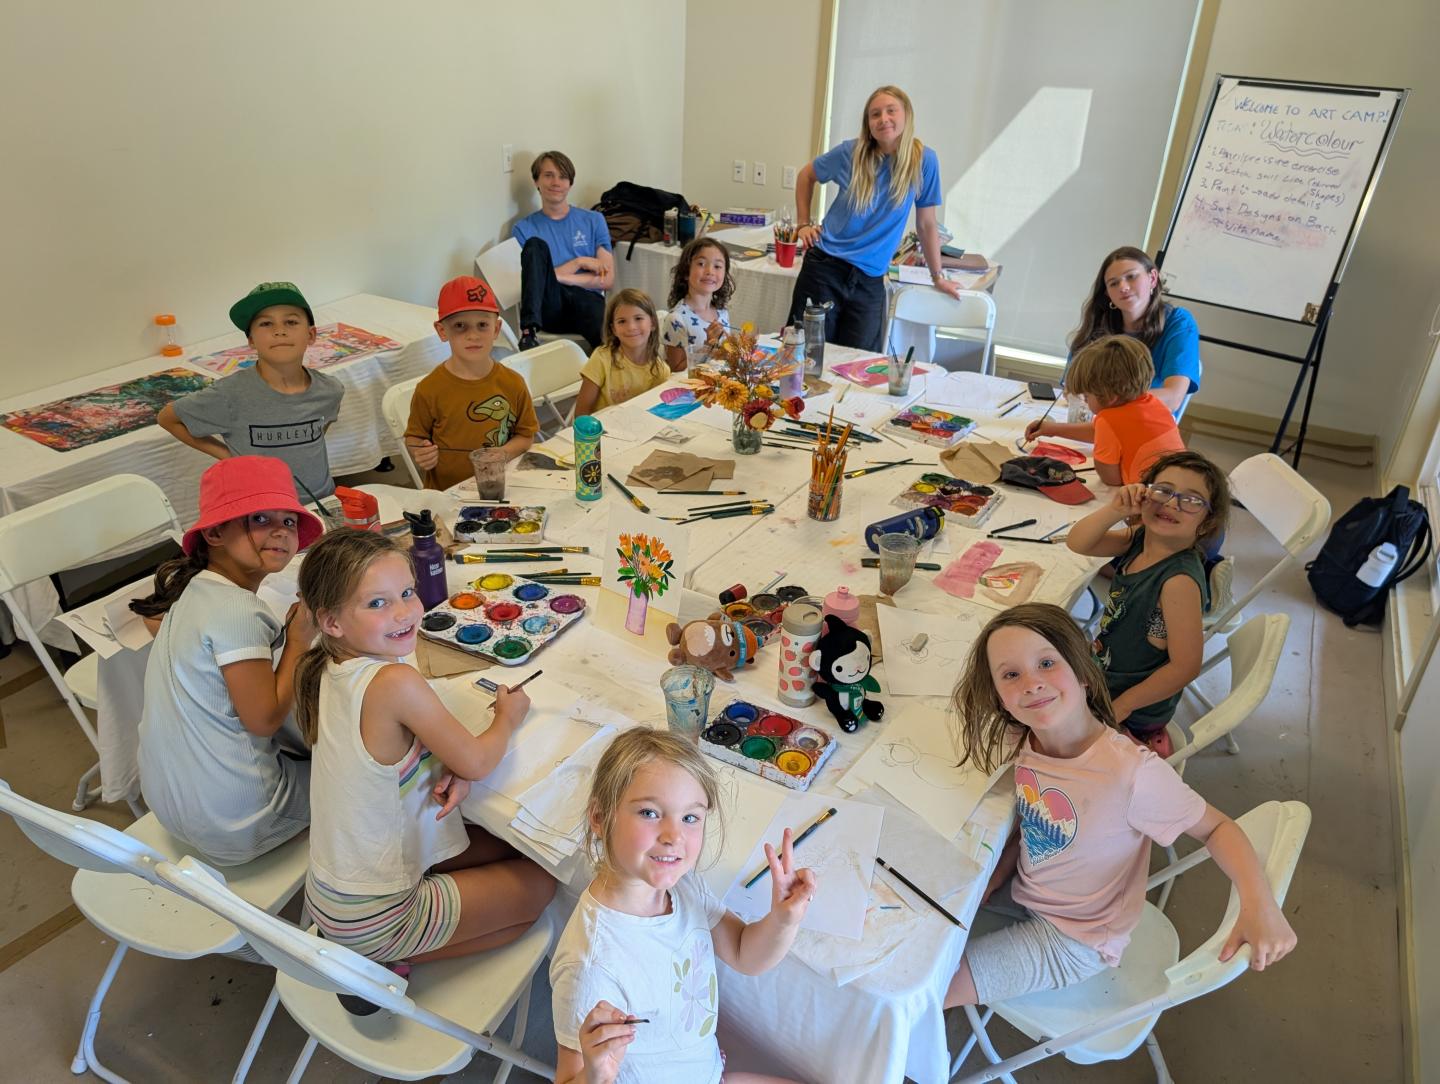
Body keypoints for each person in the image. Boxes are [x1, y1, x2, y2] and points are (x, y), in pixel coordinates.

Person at [943, 603, 1296, 1012]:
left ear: (1082, 673)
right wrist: (1000, 871)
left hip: (1075, 941)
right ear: (999, 696)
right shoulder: (1029, 740)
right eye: (1011, 674)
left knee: (929, 990)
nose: (1031, 683)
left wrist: (1260, 905)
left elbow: (1217, 829)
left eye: (1045, 663)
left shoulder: (1132, 773)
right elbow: (1039, 825)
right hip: (1026, 893)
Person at [295, 528, 555, 967]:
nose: (404, 612)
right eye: (377, 603)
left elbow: (399, 760)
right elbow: (477, 761)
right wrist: (506, 716)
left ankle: (392, 947)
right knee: (543, 886)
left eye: (407, 592)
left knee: (516, 846)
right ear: (331, 621)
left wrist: (444, 761)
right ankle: (392, 961)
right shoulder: (394, 681)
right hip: (376, 917)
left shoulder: (325, 667)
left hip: (335, 896)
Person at [551, 728, 812, 1084]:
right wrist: (595, 1076)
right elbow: (568, 1078)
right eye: (649, 812)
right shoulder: (591, 965)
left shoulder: (684, 888)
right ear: (599, 817)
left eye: (690, 818)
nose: (673, 836)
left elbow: (745, 953)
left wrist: (783, 919)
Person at [135, 456, 324, 865]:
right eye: (260, 518)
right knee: (370, 761)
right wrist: (297, 641)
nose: (281, 530)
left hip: (172, 810)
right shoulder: (238, 610)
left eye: (289, 521)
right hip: (242, 823)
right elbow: (263, 720)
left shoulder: (196, 592)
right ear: (216, 532)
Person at [1066, 450, 1230, 754]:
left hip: (1132, 709)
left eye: (1192, 500)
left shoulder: (1178, 582)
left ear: (1207, 523)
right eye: (1163, 491)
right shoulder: (1140, 538)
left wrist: (1122, 707)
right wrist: (1116, 510)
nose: (1171, 503)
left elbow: (1185, 667)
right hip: (1104, 674)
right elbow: (1078, 542)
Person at [787, 85, 962, 352]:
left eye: (891, 111)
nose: (883, 119)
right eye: (875, 114)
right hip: (825, 269)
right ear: (868, 124)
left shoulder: (924, 161)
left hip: (870, 281)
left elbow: (926, 224)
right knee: (805, 355)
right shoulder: (850, 153)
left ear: (906, 115)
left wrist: (937, 276)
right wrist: (802, 224)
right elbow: (806, 175)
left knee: (857, 366)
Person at [158, 281, 344, 500]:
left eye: (291, 321)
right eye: (266, 324)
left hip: (320, 500)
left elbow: (318, 433)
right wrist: (228, 456)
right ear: (251, 340)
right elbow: (167, 418)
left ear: (311, 335)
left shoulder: (331, 390)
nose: (279, 331)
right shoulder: (229, 394)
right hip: (262, 508)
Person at [1042, 247, 1201, 442]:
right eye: (1113, 283)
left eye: (1131, 277)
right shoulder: (1099, 322)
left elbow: (1173, 397)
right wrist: (1078, 394)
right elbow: (1072, 387)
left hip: (1145, 430)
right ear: (1108, 294)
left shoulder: (1179, 322)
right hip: (1093, 427)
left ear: (1152, 278)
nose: (1123, 287)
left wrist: (1105, 401)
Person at [404, 276, 538, 490]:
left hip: (502, 488)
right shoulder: (429, 389)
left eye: (482, 325)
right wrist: (420, 452)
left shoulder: (513, 383)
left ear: (496, 329)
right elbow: (414, 437)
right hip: (448, 495)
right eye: (460, 326)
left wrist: (503, 453)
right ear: (442, 331)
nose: (473, 335)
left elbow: (525, 435)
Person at [1032, 336, 1184, 487]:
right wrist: (1053, 429)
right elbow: (1102, 432)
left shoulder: (1109, 421)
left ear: (1109, 396)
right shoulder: (1154, 403)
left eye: (1087, 395)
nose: (1085, 401)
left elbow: (1112, 480)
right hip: (1183, 487)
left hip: (1151, 501)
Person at [513, 150, 615, 351]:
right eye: (548, 175)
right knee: (535, 245)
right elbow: (532, 285)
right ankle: (528, 333)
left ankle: (610, 372)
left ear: (570, 183)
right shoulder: (523, 229)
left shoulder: (593, 220)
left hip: (587, 302)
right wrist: (580, 263)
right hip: (550, 307)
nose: (556, 182)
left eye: (562, 176)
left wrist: (555, 276)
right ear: (536, 181)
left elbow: (607, 279)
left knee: (600, 321)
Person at [574, 290, 672, 418]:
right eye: (622, 321)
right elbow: (581, 413)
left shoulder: (660, 369)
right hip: (601, 432)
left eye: (638, 318)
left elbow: (659, 413)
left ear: (652, 323)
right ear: (613, 329)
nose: (631, 327)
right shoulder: (602, 358)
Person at [663, 237, 733, 373]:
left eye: (717, 266)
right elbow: (676, 369)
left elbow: (722, 359)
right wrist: (708, 346)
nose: (710, 271)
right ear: (685, 272)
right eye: (701, 264)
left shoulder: (722, 312)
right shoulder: (676, 319)